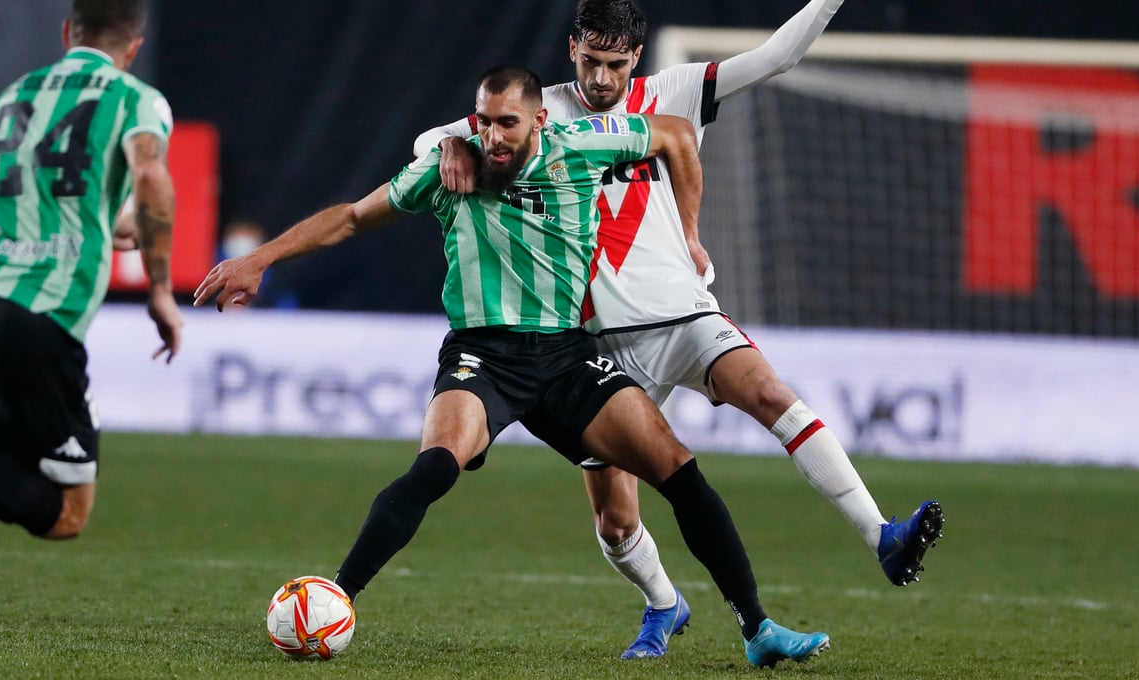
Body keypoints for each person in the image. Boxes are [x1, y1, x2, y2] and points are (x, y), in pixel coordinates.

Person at [195, 64, 830, 667]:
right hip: (482, 355)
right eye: (483, 122)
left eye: (507, 123)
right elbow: (355, 218)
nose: (492, 136)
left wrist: (690, 233)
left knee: (680, 472)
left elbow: (673, 134)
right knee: (436, 465)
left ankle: (757, 629)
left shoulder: (581, 147)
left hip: (566, 357)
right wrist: (259, 259)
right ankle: (337, 596)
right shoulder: (450, 166)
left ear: (539, 121)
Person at [413, 0, 944, 660]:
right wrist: (453, 145)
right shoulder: (536, 110)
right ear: (572, 48)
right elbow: (426, 140)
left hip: (685, 313)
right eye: (589, 60)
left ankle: (881, 535)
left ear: (635, 57)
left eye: (615, 64)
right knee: (616, 522)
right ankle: (664, 603)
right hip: (599, 345)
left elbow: (778, 56)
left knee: (771, 394)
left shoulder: (674, 92)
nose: (601, 78)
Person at [0, 0, 183, 554]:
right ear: (133, 48)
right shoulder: (135, 98)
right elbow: (151, 176)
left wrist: (105, 224)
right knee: (67, 512)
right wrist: (160, 290)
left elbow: (13, 191)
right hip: (40, 310)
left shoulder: (12, 95)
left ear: (68, 31)